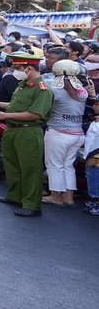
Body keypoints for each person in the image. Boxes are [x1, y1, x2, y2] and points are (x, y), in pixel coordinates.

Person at [0, 49, 54, 217]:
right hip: (13, 130)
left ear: (29, 69)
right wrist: (1, 105)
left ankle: (32, 205)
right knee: (12, 165)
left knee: (30, 169)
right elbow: (17, 106)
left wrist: (6, 115)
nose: (15, 71)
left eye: (18, 68)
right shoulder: (23, 86)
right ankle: (15, 196)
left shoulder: (42, 89)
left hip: (29, 132)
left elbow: (36, 114)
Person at [41, 59, 89, 207]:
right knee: (68, 166)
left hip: (59, 133)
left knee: (54, 165)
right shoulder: (82, 90)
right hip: (78, 134)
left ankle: (55, 196)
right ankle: (68, 197)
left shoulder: (54, 89)